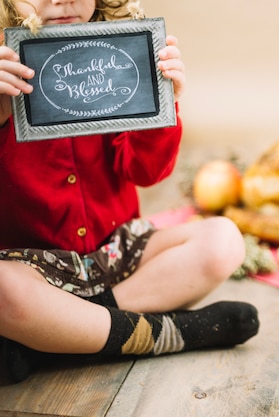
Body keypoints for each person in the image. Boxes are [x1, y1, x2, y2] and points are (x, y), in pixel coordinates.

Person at [0, 0, 259, 383]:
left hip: (116, 254)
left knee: (224, 240)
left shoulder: (123, 57)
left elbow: (145, 172)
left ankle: (55, 338)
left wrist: (162, 106)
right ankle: (168, 333)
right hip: (29, 267)